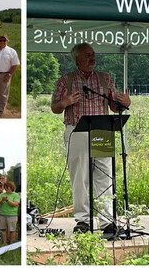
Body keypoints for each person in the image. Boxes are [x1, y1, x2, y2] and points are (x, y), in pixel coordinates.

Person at [51, 42, 131, 234]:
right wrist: (65, 102)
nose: (92, 58)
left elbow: (115, 106)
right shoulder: (66, 80)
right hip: (76, 131)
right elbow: (55, 108)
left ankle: (107, 222)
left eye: (93, 54)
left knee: (105, 176)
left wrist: (125, 103)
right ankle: (83, 221)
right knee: (80, 177)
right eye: (88, 55)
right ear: (77, 59)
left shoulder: (104, 79)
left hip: (102, 131)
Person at [0, 34, 20, 117]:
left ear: (7, 41)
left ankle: (1, 109)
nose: (2, 42)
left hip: (5, 74)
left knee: (3, 93)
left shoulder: (11, 51)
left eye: (4, 40)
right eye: (0, 40)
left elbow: (15, 64)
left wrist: (9, 75)